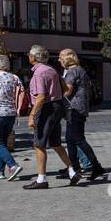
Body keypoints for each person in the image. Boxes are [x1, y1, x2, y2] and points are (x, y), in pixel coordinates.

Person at [22, 45, 80, 190]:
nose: (28, 56)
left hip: (46, 108)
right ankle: (72, 172)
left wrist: (31, 115)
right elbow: (66, 88)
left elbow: (41, 97)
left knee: (39, 144)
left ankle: (41, 179)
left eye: (29, 54)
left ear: (33, 57)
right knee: (55, 143)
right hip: (57, 106)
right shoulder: (52, 69)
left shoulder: (39, 73)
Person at [60, 49, 105, 182]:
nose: (59, 60)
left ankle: (96, 166)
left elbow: (67, 91)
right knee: (70, 139)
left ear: (67, 58)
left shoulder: (72, 71)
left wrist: (55, 95)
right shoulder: (81, 70)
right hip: (79, 108)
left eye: (61, 57)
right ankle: (74, 168)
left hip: (75, 108)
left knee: (78, 139)